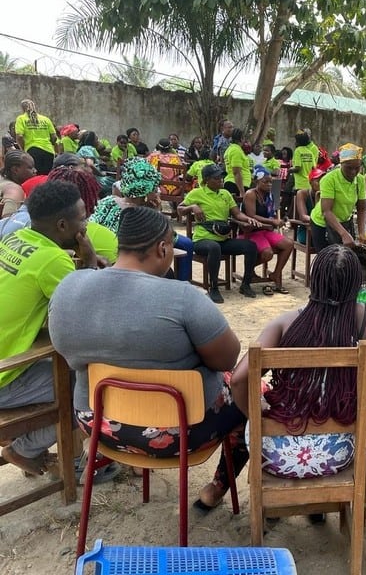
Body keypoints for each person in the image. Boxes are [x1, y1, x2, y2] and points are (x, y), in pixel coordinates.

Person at [48, 207, 249, 510]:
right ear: (163, 248)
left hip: (99, 425)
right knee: (251, 392)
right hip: (181, 433)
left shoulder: (67, 288)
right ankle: (217, 488)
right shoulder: (183, 297)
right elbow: (227, 360)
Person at [230, 244, 366, 482]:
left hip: (275, 454)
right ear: (357, 283)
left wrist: (256, 416)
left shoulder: (285, 324)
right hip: (338, 453)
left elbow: (238, 380)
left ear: (313, 280)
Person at [0, 181, 99, 475]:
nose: (86, 224)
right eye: (82, 218)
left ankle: (27, 440)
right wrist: (90, 262)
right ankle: (24, 448)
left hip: (7, 360)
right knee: (90, 387)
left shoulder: (14, 237)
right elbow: (85, 314)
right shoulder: (53, 260)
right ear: (62, 225)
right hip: (5, 377)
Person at [91, 158, 193, 280]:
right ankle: (183, 283)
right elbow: (168, 236)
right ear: (145, 193)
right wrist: (156, 211)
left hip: (100, 257)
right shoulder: (140, 214)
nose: (157, 192)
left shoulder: (108, 201)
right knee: (186, 245)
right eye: (155, 189)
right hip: (130, 263)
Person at [179, 163, 260, 303]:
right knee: (214, 247)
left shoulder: (225, 194)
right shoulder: (197, 193)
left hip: (222, 239)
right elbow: (180, 210)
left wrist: (248, 219)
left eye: (221, 177)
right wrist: (193, 206)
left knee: (251, 246)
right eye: (216, 178)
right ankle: (214, 287)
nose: (220, 180)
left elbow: (237, 214)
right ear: (206, 180)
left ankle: (246, 284)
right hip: (202, 240)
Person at [240, 167, 293, 294]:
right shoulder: (250, 194)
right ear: (257, 182)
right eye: (265, 182)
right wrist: (272, 222)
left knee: (288, 244)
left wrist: (277, 221)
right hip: (251, 231)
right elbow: (251, 216)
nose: (269, 184)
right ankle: (249, 270)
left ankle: (276, 274)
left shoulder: (269, 195)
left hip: (265, 230)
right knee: (267, 253)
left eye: (270, 182)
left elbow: (272, 215)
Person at [308, 143, 366, 250]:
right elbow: (326, 211)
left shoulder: (360, 180)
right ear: (341, 164)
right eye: (349, 168)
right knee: (329, 257)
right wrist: (344, 234)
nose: (353, 172)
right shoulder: (329, 179)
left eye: (357, 168)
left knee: (348, 256)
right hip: (323, 224)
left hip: (344, 223)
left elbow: (362, 208)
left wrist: (362, 233)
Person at [15, 99, 57, 174]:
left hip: (32, 150)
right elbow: (54, 137)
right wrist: (49, 144)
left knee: (36, 175)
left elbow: (19, 137)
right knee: (47, 176)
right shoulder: (45, 119)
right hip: (49, 151)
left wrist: (23, 149)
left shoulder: (21, 118)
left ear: (23, 108)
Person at [0, 150, 32, 217]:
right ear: (15, 170)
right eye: (30, 168)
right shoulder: (14, 190)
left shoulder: (3, 179)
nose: (35, 171)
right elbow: (8, 219)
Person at [222, 128, 252, 197]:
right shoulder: (236, 151)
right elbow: (236, 172)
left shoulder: (231, 149)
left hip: (237, 184)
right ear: (241, 139)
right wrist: (242, 192)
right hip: (236, 186)